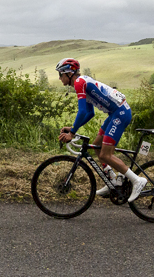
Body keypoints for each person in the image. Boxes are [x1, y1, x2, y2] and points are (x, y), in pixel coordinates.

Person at [54, 58, 147, 203]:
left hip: (120, 114)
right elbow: (89, 113)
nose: (60, 78)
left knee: (105, 154)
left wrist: (72, 132)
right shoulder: (82, 82)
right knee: (97, 146)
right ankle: (113, 181)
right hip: (115, 113)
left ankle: (137, 180)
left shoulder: (79, 83)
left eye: (61, 75)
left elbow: (82, 111)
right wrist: (73, 128)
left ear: (69, 73)